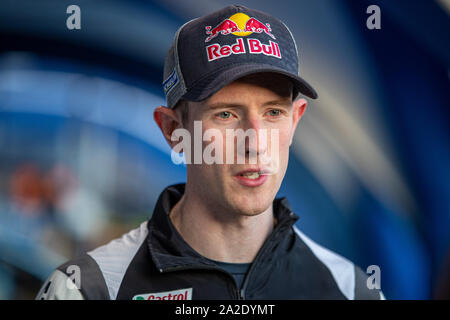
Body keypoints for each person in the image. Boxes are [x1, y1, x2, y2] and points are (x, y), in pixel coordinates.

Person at [36, 5, 384, 300]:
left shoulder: (352, 289)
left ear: (295, 122)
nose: (255, 143)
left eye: (273, 113)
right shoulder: (86, 290)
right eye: (226, 115)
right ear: (174, 131)